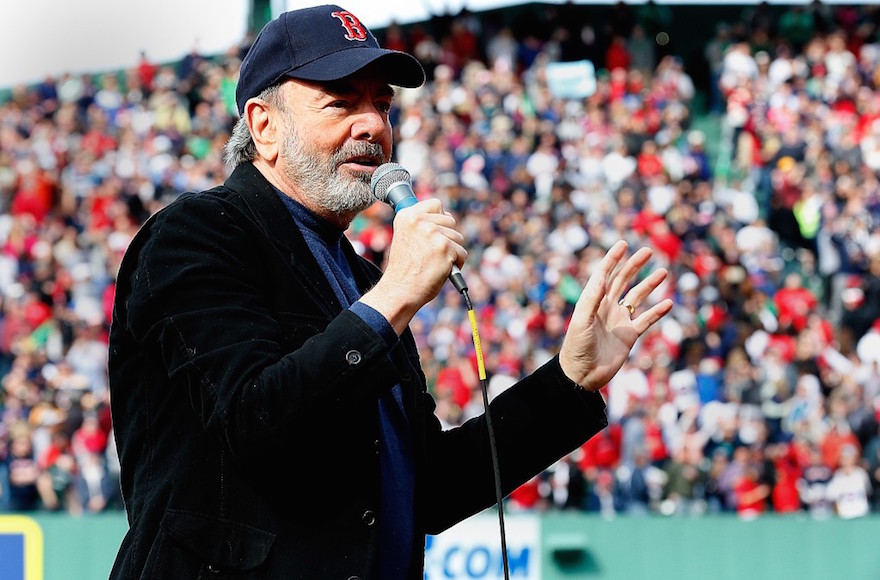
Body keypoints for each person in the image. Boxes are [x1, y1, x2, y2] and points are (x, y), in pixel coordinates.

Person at [107, 4, 673, 579]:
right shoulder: (196, 235)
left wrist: (568, 380)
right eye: (341, 102)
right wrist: (396, 295)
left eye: (381, 103)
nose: (373, 124)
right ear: (264, 125)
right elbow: (256, 424)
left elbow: (430, 487)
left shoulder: (362, 280)